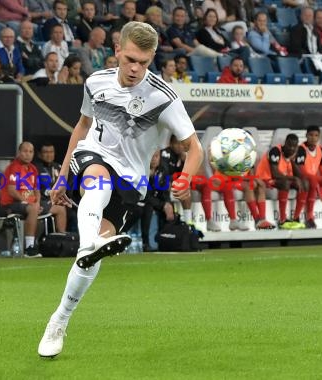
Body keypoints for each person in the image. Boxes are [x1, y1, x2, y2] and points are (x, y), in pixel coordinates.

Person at [37, 21, 203, 358]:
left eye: (143, 62)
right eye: (129, 59)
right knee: (97, 179)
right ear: (117, 50)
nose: (135, 68)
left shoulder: (164, 97)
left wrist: (185, 178)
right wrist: (62, 175)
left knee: (95, 252)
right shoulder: (96, 82)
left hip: (133, 180)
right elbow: (83, 125)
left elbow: (194, 147)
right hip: (95, 154)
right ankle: (89, 246)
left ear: (152, 58)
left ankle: (60, 318)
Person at [0, 141, 42, 256]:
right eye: (25, 151)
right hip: (11, 204)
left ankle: (61, 242)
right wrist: (29, 203)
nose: (28, 154)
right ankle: (29, 248)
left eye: (31, 151)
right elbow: (12, 191)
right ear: (19, 153)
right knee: (33, 209)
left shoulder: (33, 169)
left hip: (29, 204)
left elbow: (37, 190)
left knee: (59, 209)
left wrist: (37, 202)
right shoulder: (13, 168)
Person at [255, 134, 307, 229]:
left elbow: (300, 176)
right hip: (266, 179)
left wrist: (292, 160)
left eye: (294, 146)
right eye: (289, 145)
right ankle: (282, 219)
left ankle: (296, 218)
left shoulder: (293, 154)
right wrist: (293, 178)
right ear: (285, 144)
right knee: (286, 183)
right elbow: (275, 173)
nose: (291, 148)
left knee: (305, 184)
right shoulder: (275, 151)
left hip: (280, 180)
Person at [294, 125, 322, 229]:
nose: (313, 138)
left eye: (316, 135)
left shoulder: (320, 150)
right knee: (313, 180)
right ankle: (309, 217)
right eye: (311, 135)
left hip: (314, 179)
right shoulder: (301, 149)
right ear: (306, 136)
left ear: (319, 137)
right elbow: (301, 171)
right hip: (301, 177)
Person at [138, 150, 174, 251]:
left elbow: (165, 192)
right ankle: (146, 243)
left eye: (156, 156)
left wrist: (167, 203)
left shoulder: (164, 170)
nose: (154, 159)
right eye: (152, 156)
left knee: (170, 209)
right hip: (143, 201)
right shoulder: (141, 170)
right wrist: (163, 205)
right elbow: (145, 195)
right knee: (147, 208)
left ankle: (165, 241)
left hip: (158, 201)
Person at [33, 143, 68, 232]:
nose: (49, 155)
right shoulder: (34, 168)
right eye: (46, 152)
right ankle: (61, 237)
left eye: (51, 152)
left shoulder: (58, 167)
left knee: (73, 208)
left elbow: (64, 186)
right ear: (39, 154)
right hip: (42, 201)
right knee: (60, 208)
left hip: (56, 200)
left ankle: (71, 239)